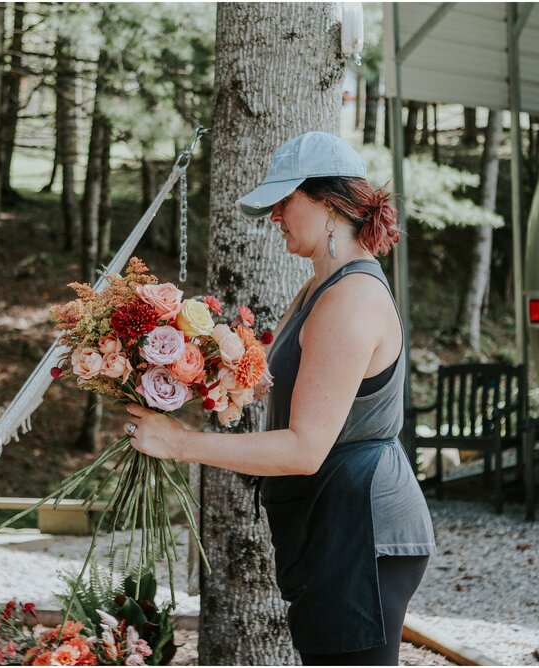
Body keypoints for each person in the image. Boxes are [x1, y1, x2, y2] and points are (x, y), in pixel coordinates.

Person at [124, 131, 435, 665]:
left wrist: (179, 444)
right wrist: (190, 372)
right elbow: (284, 392)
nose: (274, 217)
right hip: (329, 522)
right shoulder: (320, 287)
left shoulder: (350, 299)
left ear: (331, 202)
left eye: (284, 201)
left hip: (360, 530)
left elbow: (303, 448)